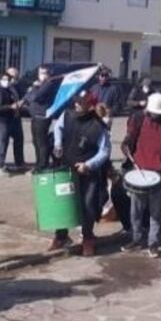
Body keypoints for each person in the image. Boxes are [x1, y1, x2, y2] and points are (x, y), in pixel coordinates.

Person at [121, 93, 161, 256]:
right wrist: (125, 147)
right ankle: (136, 239)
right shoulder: (138, 118)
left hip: (160, 172)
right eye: (154, 113)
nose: (156, 115)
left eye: (159, 113)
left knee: (156, 212)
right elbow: (128, 140)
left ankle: (153, 243)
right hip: (139, 171)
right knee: (136, 210)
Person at [49, 92, 112, 257]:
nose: (77, 105)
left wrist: (89, 165)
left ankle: (88, 239)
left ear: (89, 105)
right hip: (67, 166)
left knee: (88, 204)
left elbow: (105, 151)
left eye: (81, 103)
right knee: (64, 201)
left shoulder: (98, 126)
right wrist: (57, 143)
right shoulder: (67, 115)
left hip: (87, 171)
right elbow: (58, 127)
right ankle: (61, 236)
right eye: (76, 102)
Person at [0, 70, 24, 176]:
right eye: (6, 79)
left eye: (10, 79)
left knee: (17, 140)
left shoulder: (11, 88)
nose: (9, 81)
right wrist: (11, 107)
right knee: (2, 143)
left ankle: (17, 163)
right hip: (2, 120)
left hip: (13, 118)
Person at [24, 65, 56, 172]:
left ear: (48, 74)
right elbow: (27, 97)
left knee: (41, 141)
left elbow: (35, 97)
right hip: (35, 116)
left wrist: (33, 88)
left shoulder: (48, 84)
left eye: (43, 73)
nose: (40, 75)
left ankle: (43, 164)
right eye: (39, 72)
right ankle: (39, 163)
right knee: (35, 141)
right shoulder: (41, 84)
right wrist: (31, 92)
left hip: (42, 117)